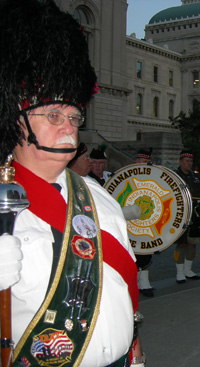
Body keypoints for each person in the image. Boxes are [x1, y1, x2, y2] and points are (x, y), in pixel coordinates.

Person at [0, 1, 145, 366]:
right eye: (53, 115)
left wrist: (134, 345)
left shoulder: (99, 196)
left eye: (73, 115)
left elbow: (120, 279)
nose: (68, 126)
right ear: (17, 122)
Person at [174, 149, 200, 283]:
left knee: (192, 244)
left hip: (194, 215)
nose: (189, 164)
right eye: (186, 161)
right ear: (180, 162)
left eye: (191, 161)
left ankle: (188, 270)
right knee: (182, 244)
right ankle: (179, 272)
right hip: (180, 215)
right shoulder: (174, 176)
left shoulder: (195, 176)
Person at [135, 148, 154, 297]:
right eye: (140, 160)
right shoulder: (125, 176)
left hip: (148, 219)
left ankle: (145, 282)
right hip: (131, 220)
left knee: (147, 250)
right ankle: (134, 281)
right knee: (132, 252)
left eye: (145, 161)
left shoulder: (154, 177)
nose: (142, 163)